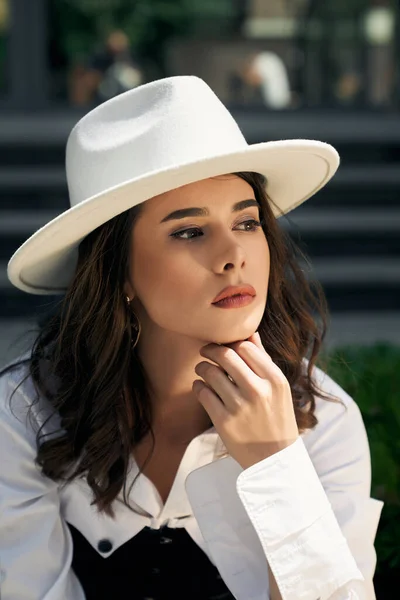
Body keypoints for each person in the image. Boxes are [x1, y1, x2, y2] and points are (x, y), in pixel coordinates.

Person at [0, 76, 383, 600]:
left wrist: (277, 466)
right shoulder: (22, 414)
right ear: (120, 273)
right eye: (189, 231)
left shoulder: (324, 421)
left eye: (247, 223)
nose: (233, 255)